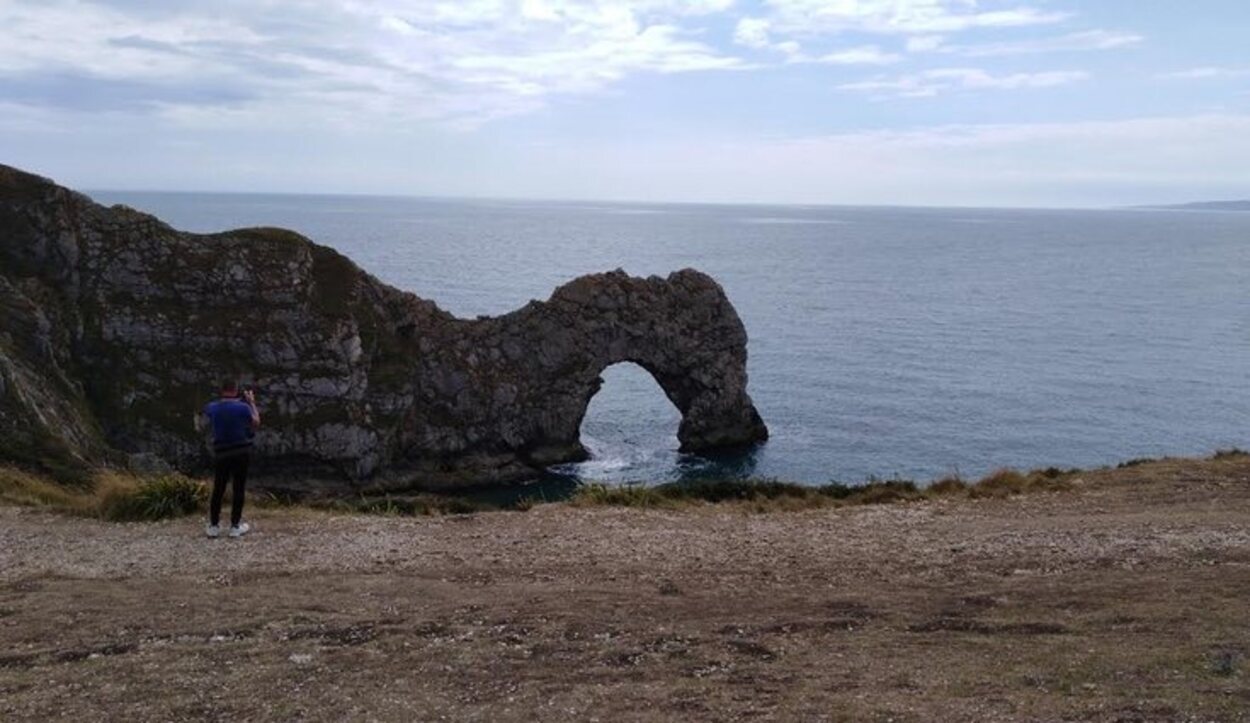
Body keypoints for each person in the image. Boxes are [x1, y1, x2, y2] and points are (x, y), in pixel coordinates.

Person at [201, 380, 260, 539]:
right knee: (238, 488)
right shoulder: (243, 407)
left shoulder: (212, 407)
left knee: (218, 488)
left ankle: (214, 526)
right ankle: (235, 526)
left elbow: (210, 411)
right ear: (236, 390)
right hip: (241, 451)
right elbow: (255, 423)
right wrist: (251, 402)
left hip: (221, 452)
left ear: (222, 390)